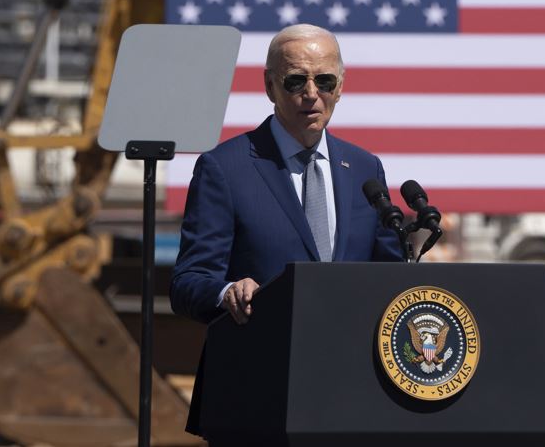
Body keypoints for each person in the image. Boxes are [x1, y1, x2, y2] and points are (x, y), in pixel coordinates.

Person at [169, 24, 402, 435]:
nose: (311, 94)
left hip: (351, 393)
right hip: (257, 394)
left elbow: (389, 275)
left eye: (324, 81)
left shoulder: (365, 169)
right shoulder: (224, 168)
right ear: (269, 86)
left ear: (340, 87)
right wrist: (227, 292)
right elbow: (188, 282)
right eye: (296, 80)